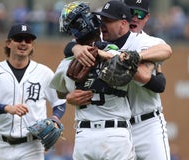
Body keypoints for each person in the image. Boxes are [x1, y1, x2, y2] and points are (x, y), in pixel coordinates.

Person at [51, 1, 135, 159]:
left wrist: (70, 96)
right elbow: (134, 68)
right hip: (115, 134)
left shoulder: (65, 63)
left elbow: (60, 92)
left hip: (85, 136)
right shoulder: (117, 56)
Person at [0, 23, 66, 160]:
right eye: (18, 39)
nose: (23, 43)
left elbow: (60, 102)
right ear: (8, 43)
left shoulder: (44, 73)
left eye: (28, 40)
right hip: (2, 145)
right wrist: (7, 108)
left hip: (32, 146)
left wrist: (56, 117)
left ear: (32, 45)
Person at [123, 0, 171, 159]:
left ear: (147, 17)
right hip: (119, 127)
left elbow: (166, 50)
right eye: (131, 12)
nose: (135, 18)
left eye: (140, 14)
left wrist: (135, 57)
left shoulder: (152, 43)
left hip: (148, 124)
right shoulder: (107, 41)